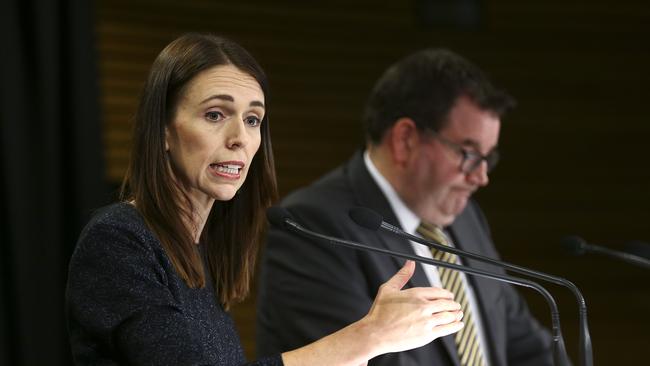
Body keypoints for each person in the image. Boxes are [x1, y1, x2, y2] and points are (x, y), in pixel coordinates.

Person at [65, 33, 465, 366]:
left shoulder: (200, 255)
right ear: (165, 131)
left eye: (252, 119)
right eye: (216, 115)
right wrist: (366, 336)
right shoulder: (119, 241)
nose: (240, 137)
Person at [256, 49, 554, 365]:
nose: (481, 177)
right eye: (468, 154)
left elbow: (526, 343)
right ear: (405, 140)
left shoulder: (467, 218)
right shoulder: (313, 226)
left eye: (488, 158)